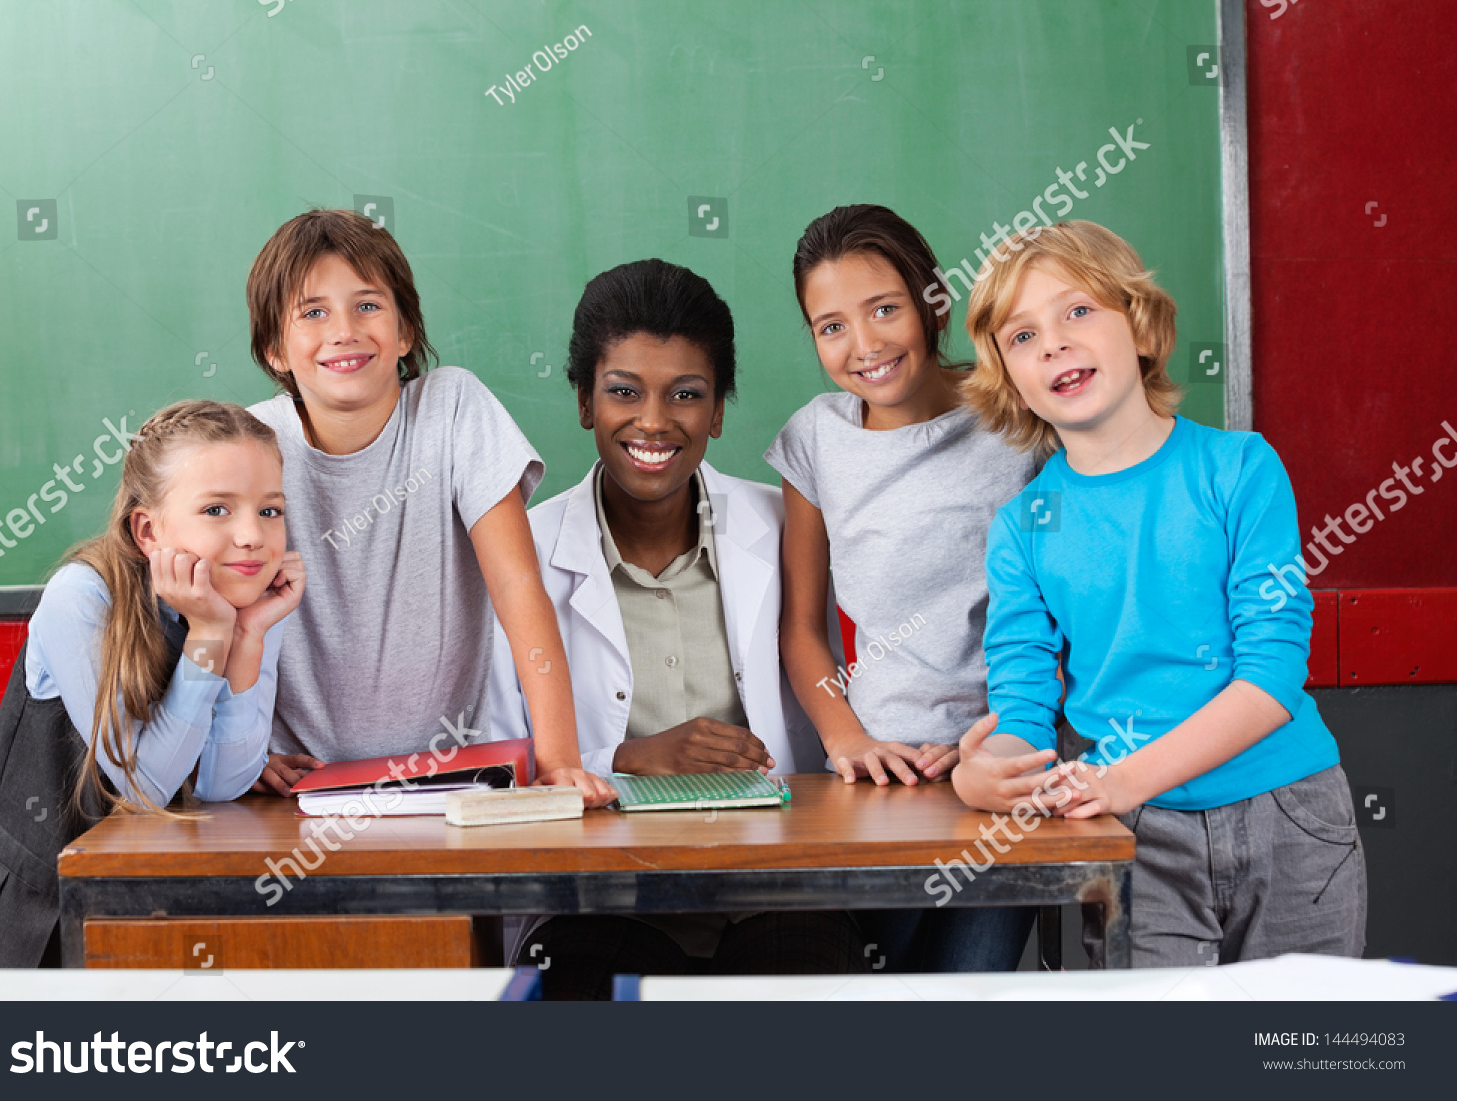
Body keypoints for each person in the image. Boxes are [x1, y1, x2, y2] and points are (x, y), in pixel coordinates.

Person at [954, 219, 1365, 966]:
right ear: (1008, 377)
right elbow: (1023, 711)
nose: (1053, 344)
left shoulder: (1240, 469)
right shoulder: (1021, 528)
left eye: (1078, 311)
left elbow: (1271, 677)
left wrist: (1118, 781)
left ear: (1140, 326)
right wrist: (983, 775)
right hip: (1136, 834)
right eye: (1022, 336)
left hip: (1291, 817)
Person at [488, 258, 861, 997]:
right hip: (599, 896)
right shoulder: (517, 553)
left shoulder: (787, 529)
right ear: (585, 401)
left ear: (718, 411)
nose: (654, 421)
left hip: (772, 888)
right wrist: (628, 756)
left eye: (686, 394)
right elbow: (492, 765)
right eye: (624, 391)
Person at [242, 209, 612, 806]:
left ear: (406, 330)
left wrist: (560, 760)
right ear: (274, 348)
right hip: (298, 791)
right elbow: (213, 610)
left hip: (449, 781)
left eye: (368, 305)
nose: (344, 330)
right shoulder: (251, 445)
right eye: (313, 312)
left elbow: (518, 586)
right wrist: (239, 752)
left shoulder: (453, 407)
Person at [767, 205, 1038, 972]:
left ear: (931, 300)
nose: (865, 346)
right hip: (877, 784)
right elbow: (803, 626)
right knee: (874, 994)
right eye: (831, 326)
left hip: (1003, 767)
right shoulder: (816, 438)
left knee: (966, 999)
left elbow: (1066, 603)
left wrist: (1008, 739)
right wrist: (848, 740)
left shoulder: (1016, 413)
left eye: (884, 308)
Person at [0, 400, 302, 966]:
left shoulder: (254, 601)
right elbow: (145, 789)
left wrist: (247, 638)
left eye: (270, 511)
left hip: (136, 896)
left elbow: (222, 786)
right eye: (217, 509)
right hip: (32, 904)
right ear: (148, 530)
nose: (252, 537)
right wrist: (211, 633)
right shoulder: (82, 598)